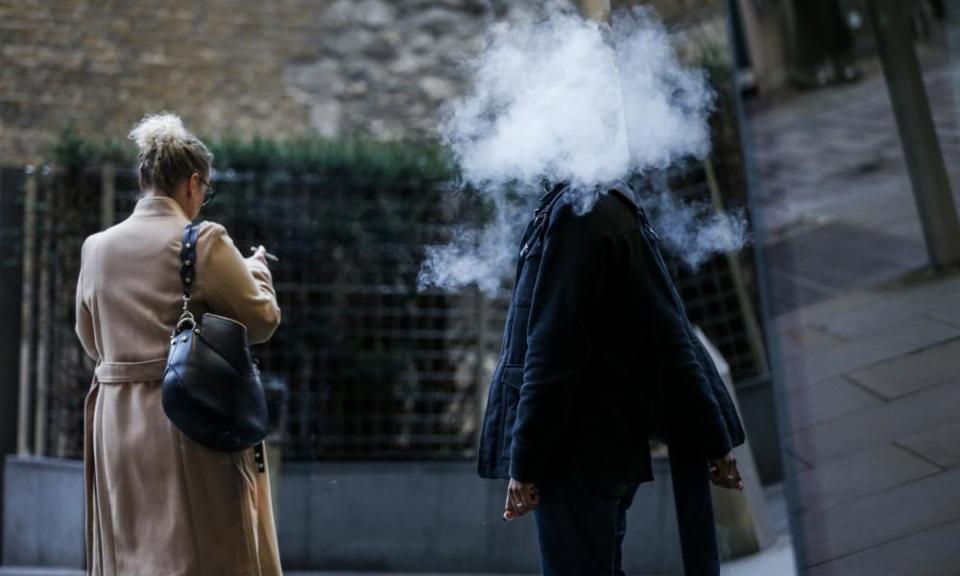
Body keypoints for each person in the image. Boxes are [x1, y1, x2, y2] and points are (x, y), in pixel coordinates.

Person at [477, 182, 746, 576]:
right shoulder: (611, 206)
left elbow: (553, 353)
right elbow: (669, 336)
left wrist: (526, 463)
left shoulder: (576, 213)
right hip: (609, 446)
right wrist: (714, 440)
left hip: (577, 453)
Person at [75, 113, 283, 575]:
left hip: (116, 423)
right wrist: (259, 273)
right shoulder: (203, 241)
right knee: (202, 550)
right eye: (204, 191)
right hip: (190, 418)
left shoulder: (96, 248)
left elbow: (90, 340)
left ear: (144, 179)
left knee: (130, 551)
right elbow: (263, 321)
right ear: (192, 183)